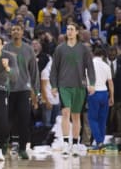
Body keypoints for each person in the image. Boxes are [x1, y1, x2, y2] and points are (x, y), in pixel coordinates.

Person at [50, 22, 96, 157]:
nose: (69, 31)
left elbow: (90, 68)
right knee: (65, 113)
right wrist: (53, 85)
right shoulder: (59, 49)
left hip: (80, 87)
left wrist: (92, 83)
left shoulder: (84, 49)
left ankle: (75, 144)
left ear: (77, 32)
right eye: (67, 29)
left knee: (76, 116)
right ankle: (65, 143)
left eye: (71, 29)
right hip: (64, 86)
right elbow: (54, 69)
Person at [3, 24, 40, 159]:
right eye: (13, 29)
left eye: (18, 29)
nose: (15, 31)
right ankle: (6, 146)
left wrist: (36, 92)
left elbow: (34, 72)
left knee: (24, 119)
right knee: (7, 120)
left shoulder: (28, 49)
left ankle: (23, 148)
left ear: (22, 32)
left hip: (24, 89)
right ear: (10, 32)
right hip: (9, 90)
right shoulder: (6, 48)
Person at [87, 45, 114, 153]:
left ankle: (99, 142)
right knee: (102, 120)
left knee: (92, 119)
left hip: (94, 92)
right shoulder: (106, 65)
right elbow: (110, 83)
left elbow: (84, 80)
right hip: (104, 93)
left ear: (93, 54)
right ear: (103, 55)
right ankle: (101, 141)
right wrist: (111, 96)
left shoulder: (89, 64)